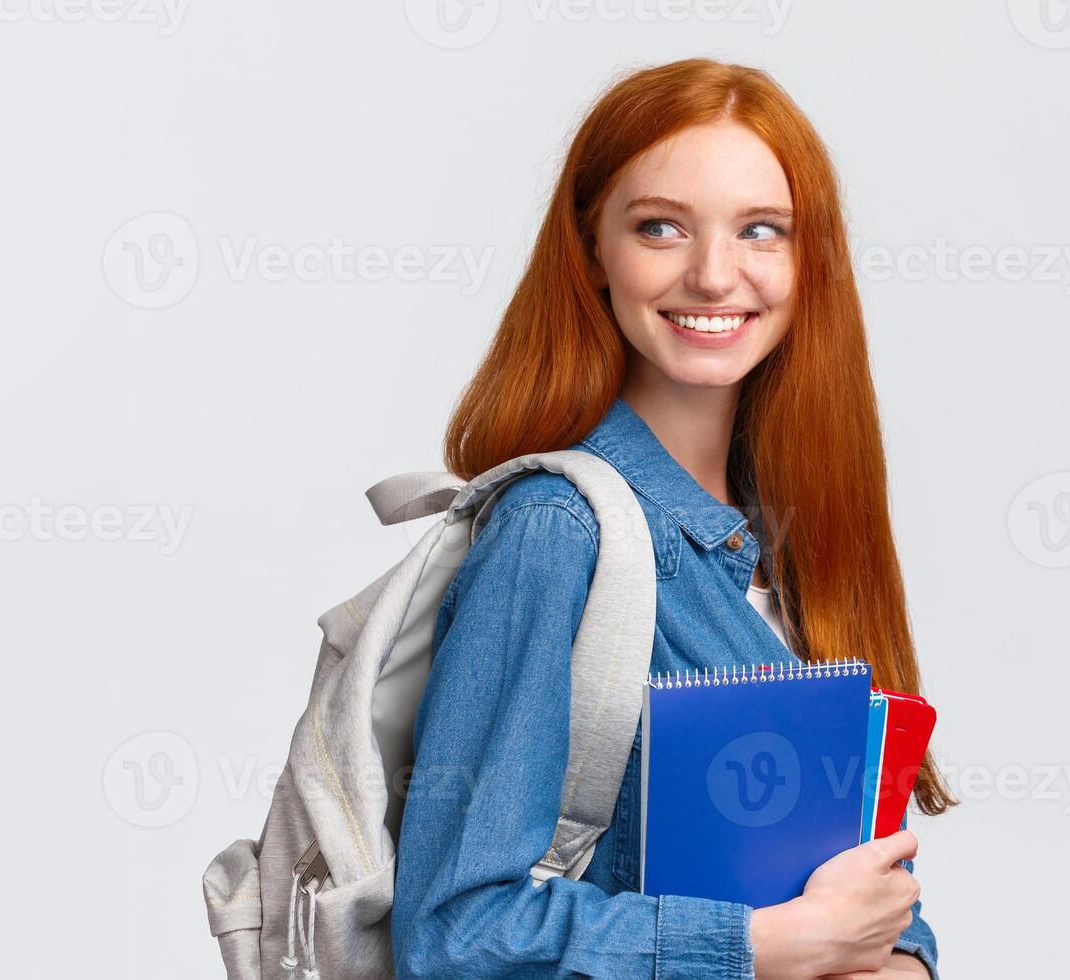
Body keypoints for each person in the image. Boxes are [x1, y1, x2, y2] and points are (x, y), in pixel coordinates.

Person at [389, 59, 952, 979]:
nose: (713, 274)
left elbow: (862, 884)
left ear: (808, 262)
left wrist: (906, 960)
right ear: (592, 250)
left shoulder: (794, 537)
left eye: (761, 231)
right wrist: (761, 949)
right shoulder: (555, 531)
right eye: (660, 227)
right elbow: (454, 933)